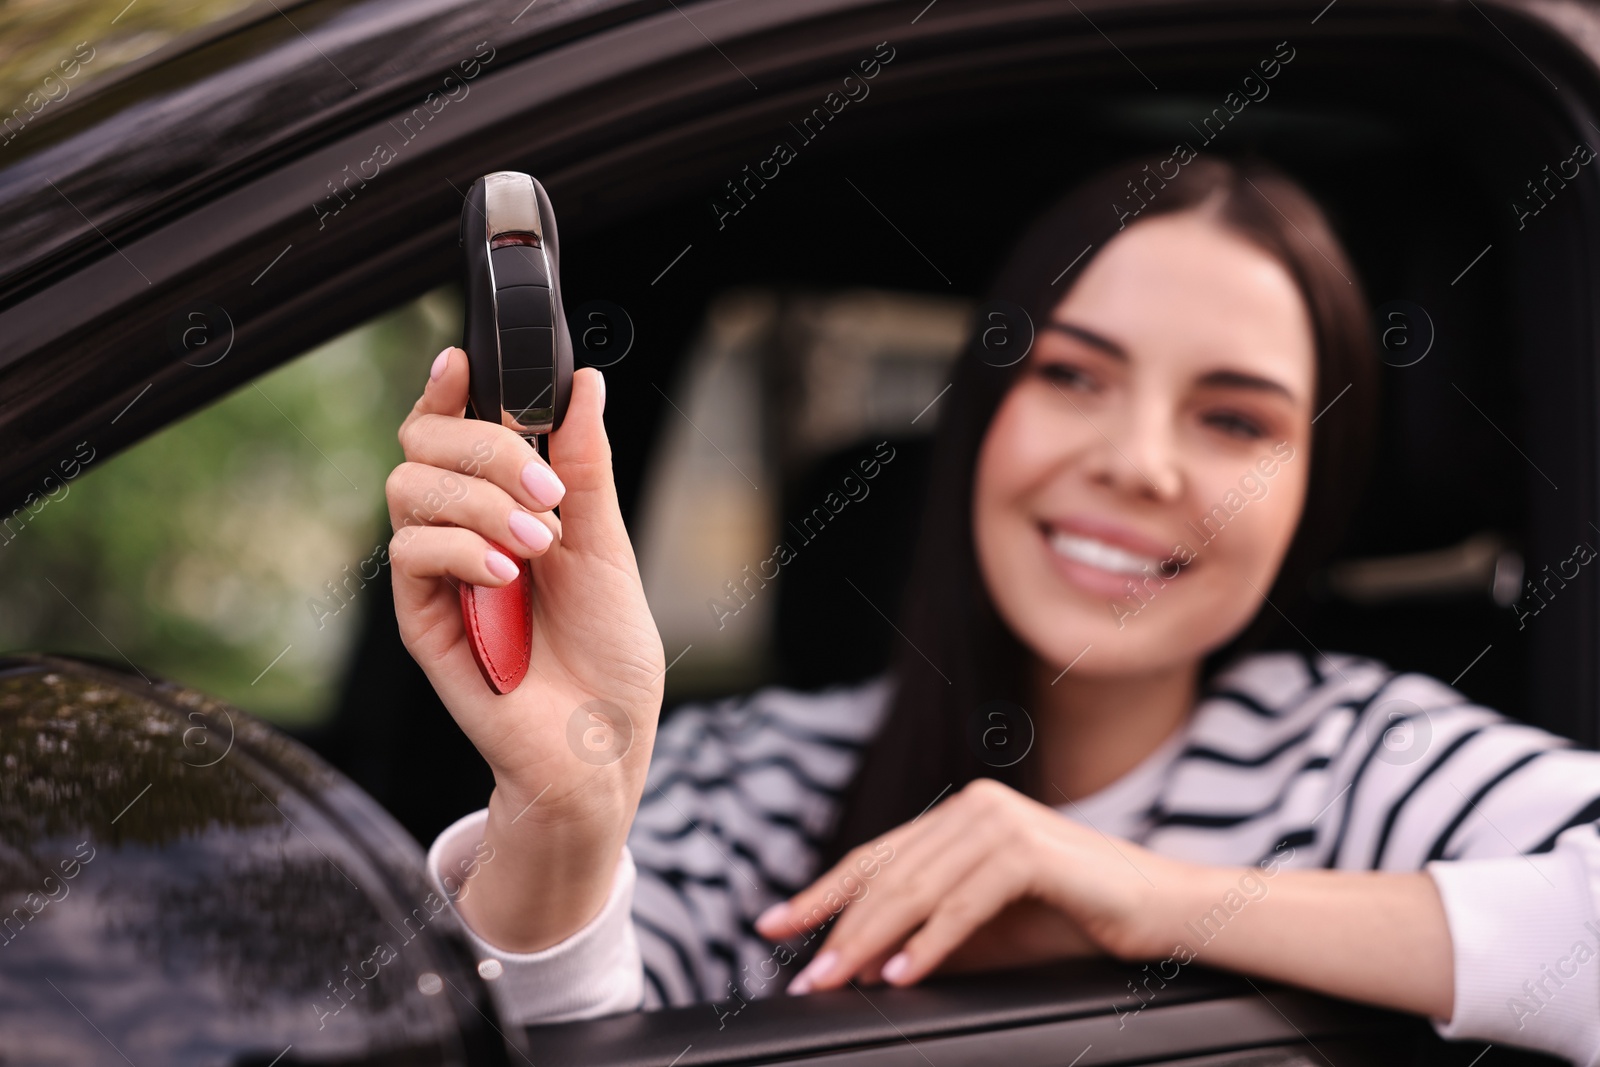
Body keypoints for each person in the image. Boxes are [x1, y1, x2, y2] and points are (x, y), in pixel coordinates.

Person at [383, 153, 1600, 1062]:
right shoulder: (741, 775)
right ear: (977, 418)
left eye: (1234, 419)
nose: (1138, 462)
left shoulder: (1357, 760)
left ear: (1314, 496)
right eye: (1070, 375)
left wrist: (1141, 897)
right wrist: (561, 819)